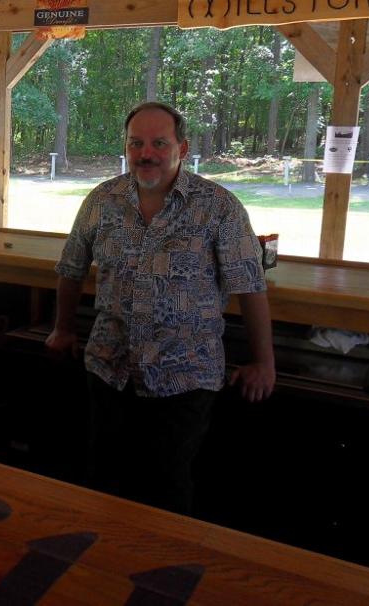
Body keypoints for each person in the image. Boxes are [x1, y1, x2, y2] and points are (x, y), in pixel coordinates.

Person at [45, 101, 275, 514]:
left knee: (166, 490)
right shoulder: (102, 200)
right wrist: (63, 329)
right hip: (110, 369)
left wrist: (264, 362)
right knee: (103, 484)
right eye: (136, 143)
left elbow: (251, 286)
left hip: (183, 376)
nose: (146, 153)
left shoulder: (218, 207)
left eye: (159, 143)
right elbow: (71, 268)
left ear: (182, 149)